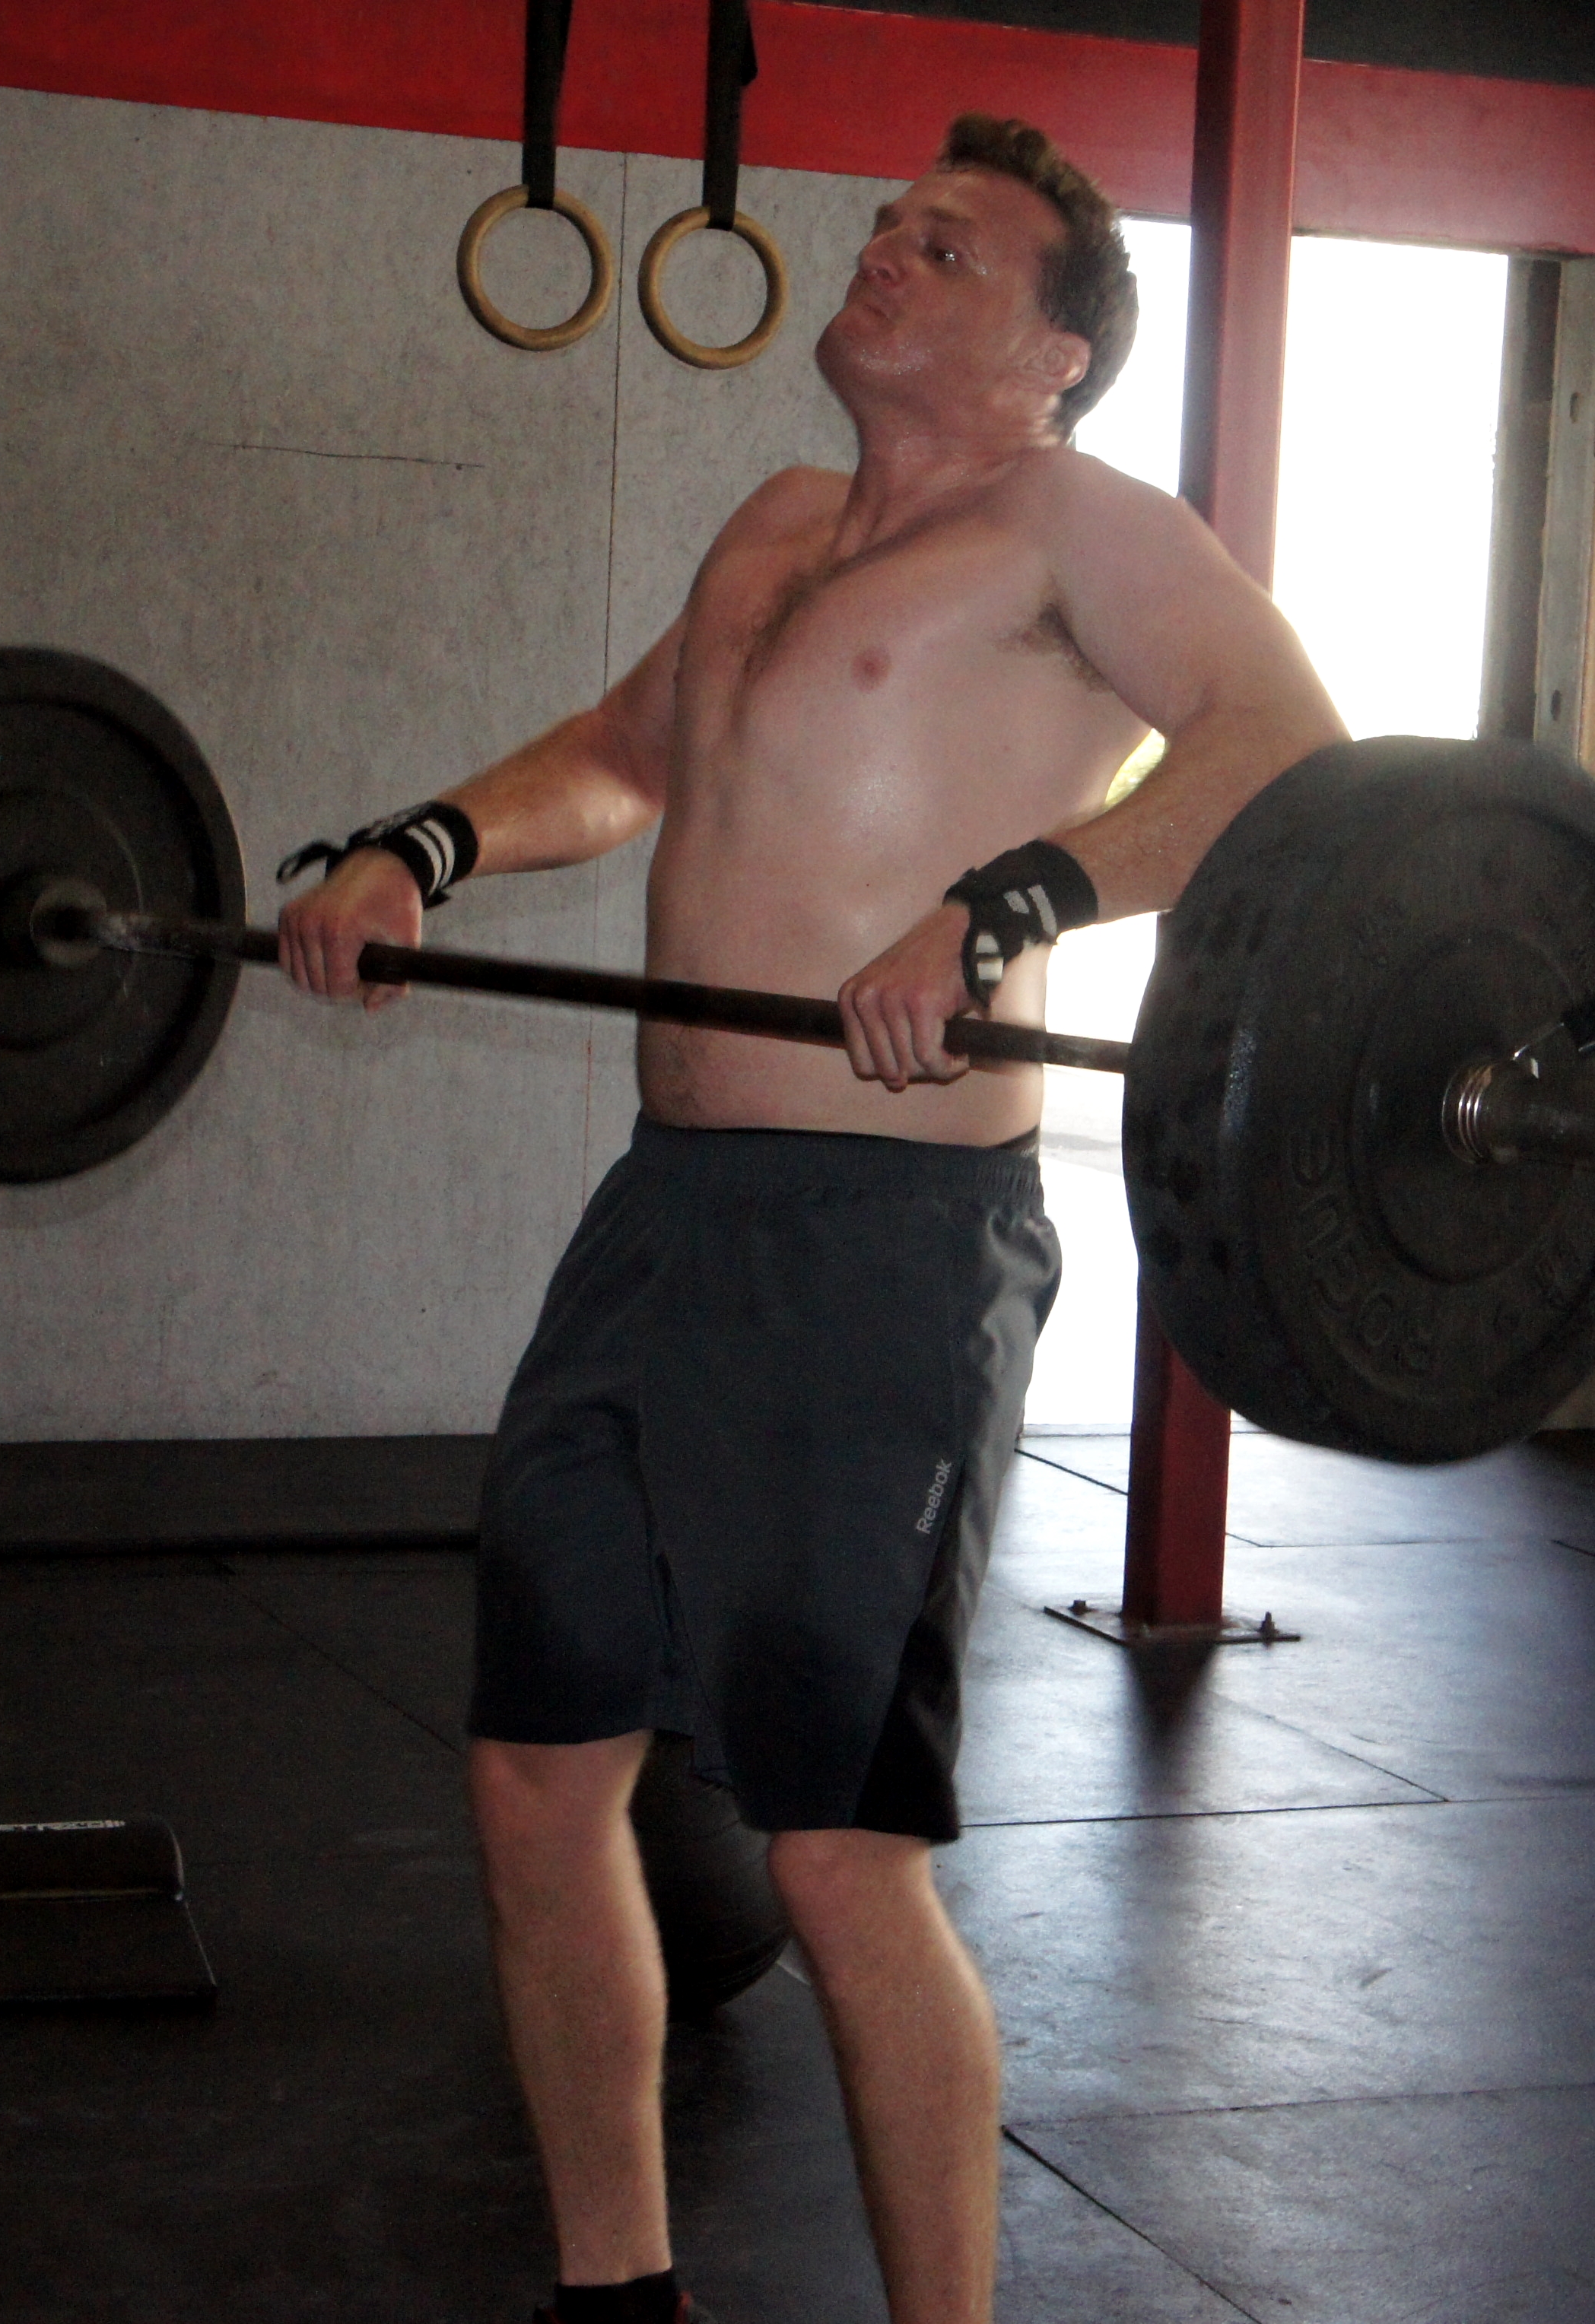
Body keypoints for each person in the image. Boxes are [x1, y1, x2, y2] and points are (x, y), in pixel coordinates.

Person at [279, 113, 1342, 2324]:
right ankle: (618, 2294)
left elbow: (1282, 737)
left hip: (887, 1248)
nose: (887, 251)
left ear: (1054, 352)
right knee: (533, 1770)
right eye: (887, 225)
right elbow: (626, 751)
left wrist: (1015, 900)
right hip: (660, 1218)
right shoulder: (771, 523)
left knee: (841, 1855)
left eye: (948, 248)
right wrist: (422, 848)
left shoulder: (1073, 523)